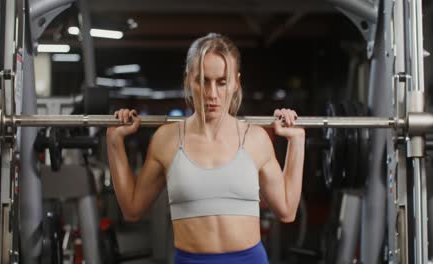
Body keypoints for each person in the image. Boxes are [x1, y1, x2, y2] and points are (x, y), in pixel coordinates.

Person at [106, 33, 305, 264]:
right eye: (203, 81)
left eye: (222, 82)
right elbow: (132, 209)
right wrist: (114, 142)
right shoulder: (167, 140)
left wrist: (297, 141)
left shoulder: (255, 139)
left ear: (236, 83)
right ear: (189, 80)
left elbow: (287, 210)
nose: (212, 94)